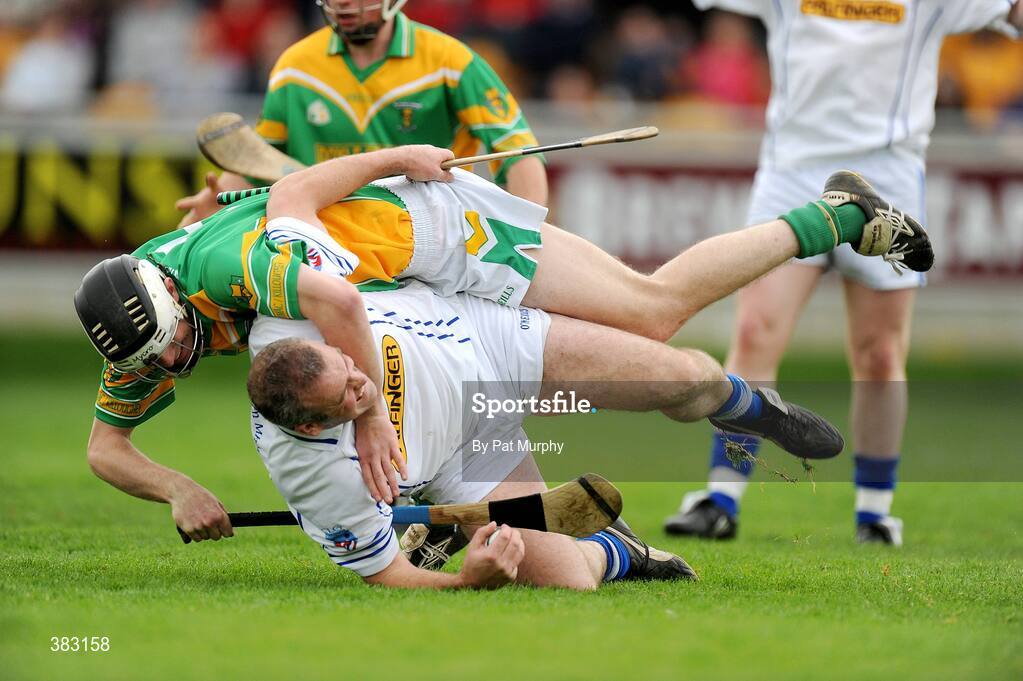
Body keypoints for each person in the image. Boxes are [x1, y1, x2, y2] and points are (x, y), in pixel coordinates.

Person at [74, 144, 933, 545]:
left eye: (183, 340)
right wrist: (176, 486)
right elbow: (105, 446)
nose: (180, 360)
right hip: (396, 291)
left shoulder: (233, 272)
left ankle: (841, 214)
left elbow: (328, 277)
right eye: (162, 359)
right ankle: (564, 539)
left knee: (651, 308)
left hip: (437, 234)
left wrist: (372, 424)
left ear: (175, 297)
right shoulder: (141, 323)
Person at [665, 0, 1023, 546]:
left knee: (879, 354)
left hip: (889, 175)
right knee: (755, 331)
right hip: (792, 171)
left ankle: (874, 513)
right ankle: (720, 499)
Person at [244, 274, 844, 589]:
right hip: (465, 456)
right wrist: (464, 583)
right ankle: (619, 549)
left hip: (488, 340)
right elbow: (387, 574)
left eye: (350, 366)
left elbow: (294, 205)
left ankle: (745, 406)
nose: (362, 382)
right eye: (348, 396)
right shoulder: (314, 475)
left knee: (683, 377)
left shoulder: (288, 314)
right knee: (568, 582)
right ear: (314, 425)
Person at [175, 0, 549, 224]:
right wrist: (218, 200)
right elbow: (260, 161)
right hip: (322, 235)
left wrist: (529, 232)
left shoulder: (450, 61)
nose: (345, 5)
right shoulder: (295, 67)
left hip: (427, 237)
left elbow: (519, 154)